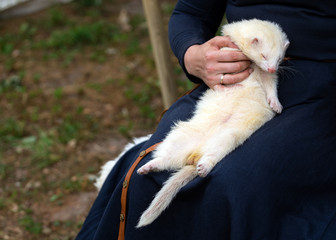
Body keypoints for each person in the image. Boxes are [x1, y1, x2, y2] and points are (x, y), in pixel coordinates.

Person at [76, 0, 336, 239]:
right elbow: (191, 12)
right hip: (237, 78)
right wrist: (193, 56)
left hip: (320, 89)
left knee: (232, 185)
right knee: (150, 177)